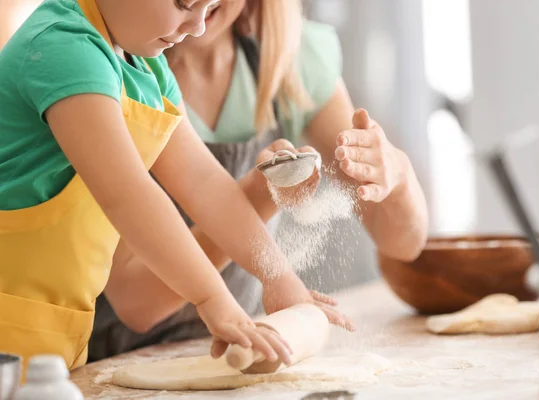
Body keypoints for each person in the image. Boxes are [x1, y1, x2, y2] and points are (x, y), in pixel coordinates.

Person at [0, 0, 351, 370]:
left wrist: (277, 275)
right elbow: (127, 194)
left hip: (58, 330)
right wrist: (211, 298)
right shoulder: (64, 47)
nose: (197, 27)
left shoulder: (147, 68)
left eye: (211, 6)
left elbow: (203, 181)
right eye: (185, 3)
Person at [89, 0, 429, 360]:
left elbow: (403, 245)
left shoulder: (289, 61)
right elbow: (135, 304)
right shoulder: (111, 71)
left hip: (240, 348)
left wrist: (396, 172)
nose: (199, 17)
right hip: (113, 359)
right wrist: (258, 200)